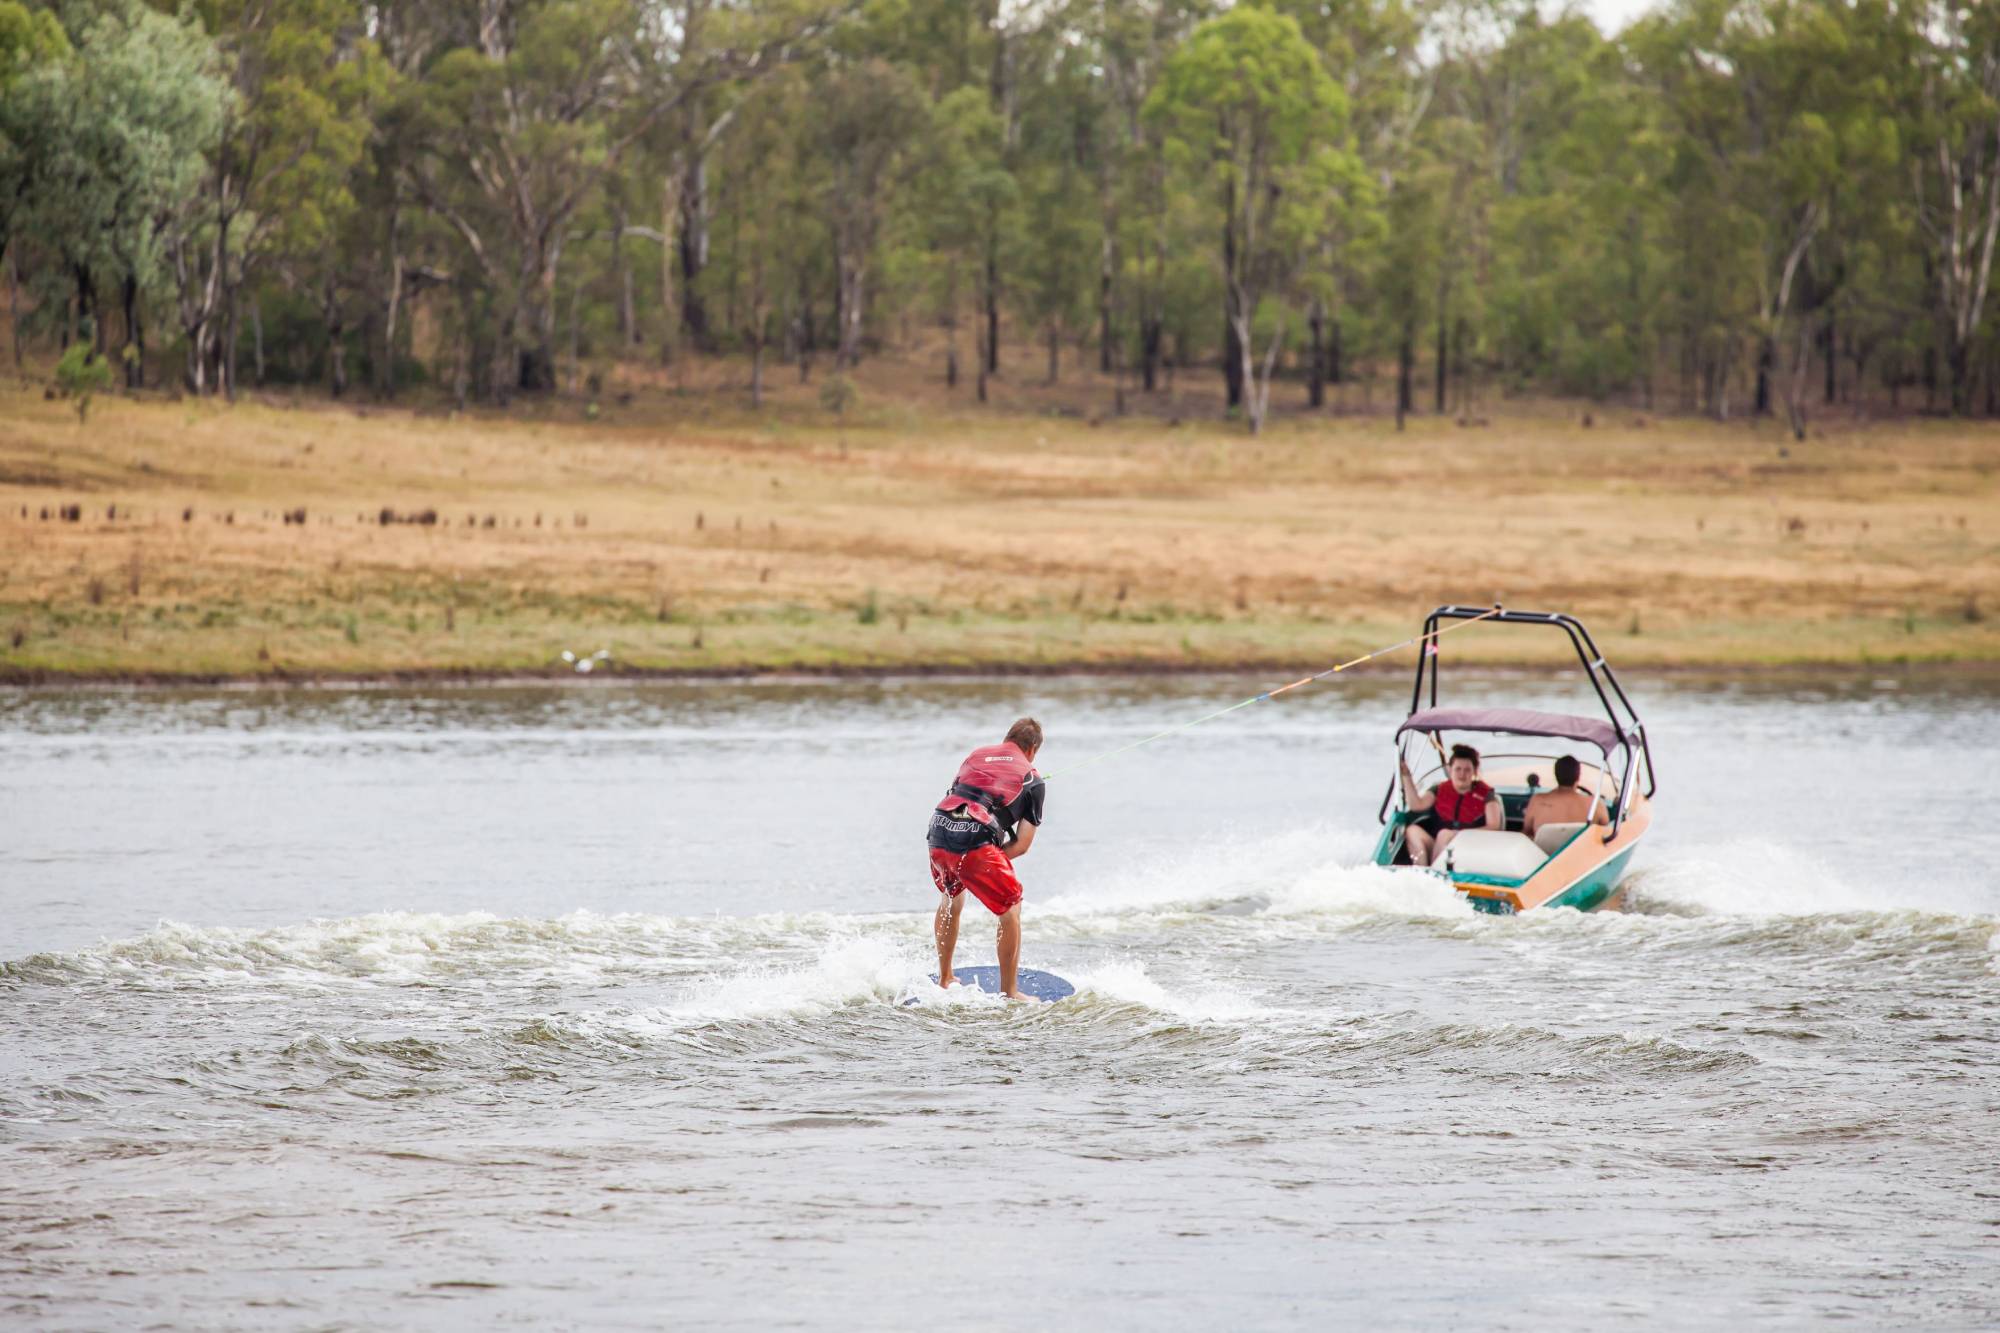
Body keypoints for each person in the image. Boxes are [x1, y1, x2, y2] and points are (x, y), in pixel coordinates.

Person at [927, 718, 1047, 1000]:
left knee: (951, 898)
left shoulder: (975, 755)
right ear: (1032, 750)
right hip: (976, 841)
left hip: (938, 831)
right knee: (1011, 908)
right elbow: (1022, 844)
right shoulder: (1033, 778)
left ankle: (945, 977)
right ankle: (1010, 992)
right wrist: (982, 862)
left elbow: (962, 795)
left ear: (1008, 738)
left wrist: (972, 865)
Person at [1398, 742, 1500, 868]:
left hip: (1470, 848)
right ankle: (1422, 871)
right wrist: (1406, 777)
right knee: (1412, 831)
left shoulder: (1487, 795)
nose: (1462, 774)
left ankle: (1435, 873)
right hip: (1438, 846)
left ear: (1474, 772)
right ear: (1450, 769)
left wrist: (1457, 834)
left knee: (1444, 834)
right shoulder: (1438, 789)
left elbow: (1494, 826)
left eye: (1467, 770)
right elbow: (1417, 805)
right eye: (1458, 769)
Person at [1522, 754, 1610, 840]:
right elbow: (1606, 834)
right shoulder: (1596, 804)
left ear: (1556, 775)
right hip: (1582, 854)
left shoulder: (1537, 800)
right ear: (1578, 776)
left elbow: (1526, 832)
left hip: (1541, 854)